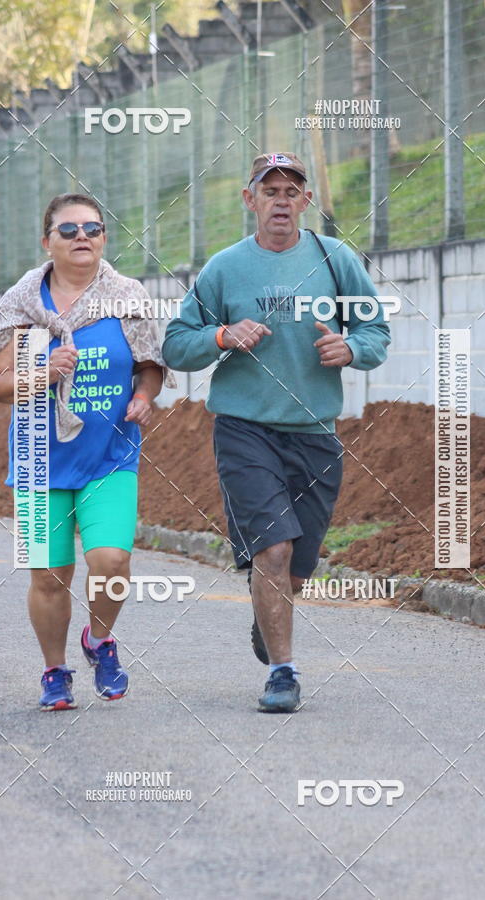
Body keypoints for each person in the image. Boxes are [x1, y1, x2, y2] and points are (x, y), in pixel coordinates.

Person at [162, 152, 391, 713]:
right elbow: (175, 345)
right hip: (245, 429)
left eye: (292, 191)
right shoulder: (223, 269)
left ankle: (269, 621)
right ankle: (283, 674)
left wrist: (352, 348)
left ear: (305, 202)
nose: (282, 200)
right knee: (273, 548)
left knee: (298, 564)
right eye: (271, 191)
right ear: (251, 201)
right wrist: (220, 337)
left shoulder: (336, 260)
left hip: (314, 432)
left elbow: (376, 329)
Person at [0, 193, 175, 710]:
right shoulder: (20, 306)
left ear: (105, 238)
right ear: (47, 241)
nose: (82, 236)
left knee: (110, 560)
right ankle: (54, 672)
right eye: (69, 230)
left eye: (93, 228)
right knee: (47, 575)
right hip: (39, 458)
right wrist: (44, 372)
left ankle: (100, 640)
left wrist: (145, 396)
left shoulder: (126, 294)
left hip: (110, 453)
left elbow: (149, 362)